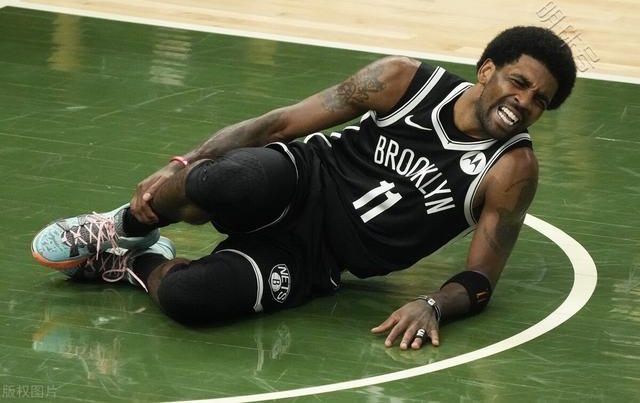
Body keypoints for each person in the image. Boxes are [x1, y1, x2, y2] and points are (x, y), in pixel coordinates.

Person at [31, 26, 576, 350]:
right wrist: (185, 163)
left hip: (316, 258)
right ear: (486, 70)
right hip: (300, 178)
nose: (524, 103)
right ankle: (121, 227)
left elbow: (481, 278)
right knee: (226, 178)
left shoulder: (512, 170)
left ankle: (134, 262)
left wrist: (433, 303)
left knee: (190, 300)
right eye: (519, 82)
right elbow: (279, 124)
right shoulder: (404, 80)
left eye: (540, 101)